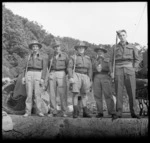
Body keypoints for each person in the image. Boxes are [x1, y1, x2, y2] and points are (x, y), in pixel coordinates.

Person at [111, 29, 140, 119]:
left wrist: (134, 68)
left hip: (129, 69)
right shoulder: (114, 47)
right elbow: (111, 61)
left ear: (126, 36)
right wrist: (111, 72)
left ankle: (134, 112)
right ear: (118, 37)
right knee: (118, 92)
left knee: (131, 91)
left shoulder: (132, 47)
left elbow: (137, 59)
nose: (122, 37)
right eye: (120, 36)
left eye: (124, 35)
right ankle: (119, 113)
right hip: (118, 70)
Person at [22, 40, 48, 117]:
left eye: (36, 46)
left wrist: (43, 78)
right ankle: (28, 111)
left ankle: (39, 111)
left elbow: (44, 68)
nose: (35, 48)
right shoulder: (28, 56)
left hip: (38, 73)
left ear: (39, 48)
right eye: (33, 47)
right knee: (29, 94)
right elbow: (24, 68)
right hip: (29, 73)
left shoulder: (43, 57)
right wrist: (23, 77)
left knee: (37, 94)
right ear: (31, 48)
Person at [68, 41, 92, 118]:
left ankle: (85, 112)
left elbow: (90, 69)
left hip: (85, 76)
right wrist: (71, 77)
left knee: (84, 94)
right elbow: (69, 68)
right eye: (79, 47)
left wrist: (90, 78)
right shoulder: (73, 57)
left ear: (84, 49)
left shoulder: (88, 58)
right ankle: (75, 112)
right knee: (75, 93)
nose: (81, 49)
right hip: (76, 74)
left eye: (82, 47)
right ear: (77, 49)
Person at [93, 46, 118, 120]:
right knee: (97, 96)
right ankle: (100, 112)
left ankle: (112, 112)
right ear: (97, 52)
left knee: (108, 95)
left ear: (104, 53)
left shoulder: (108, 60)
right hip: (96, 77)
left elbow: (110, 69)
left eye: (101, 51)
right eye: (98, 51)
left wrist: (112, 74)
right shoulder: (94, 60)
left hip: (105, 76)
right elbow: (91, 70)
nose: (100, 52)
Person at [47, 40, 69, 117]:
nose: (57, 48)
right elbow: (48, 65)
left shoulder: (65, 55)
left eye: (58, 46)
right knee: (52, 93)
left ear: (60, 47)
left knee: (62, 93)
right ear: (54, 48)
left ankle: (64, 111)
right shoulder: (51, 55)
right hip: (52, 73)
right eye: (55, 47)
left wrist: (64, 74)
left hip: (61, 73)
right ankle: (53, 111)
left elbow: (67, 65)